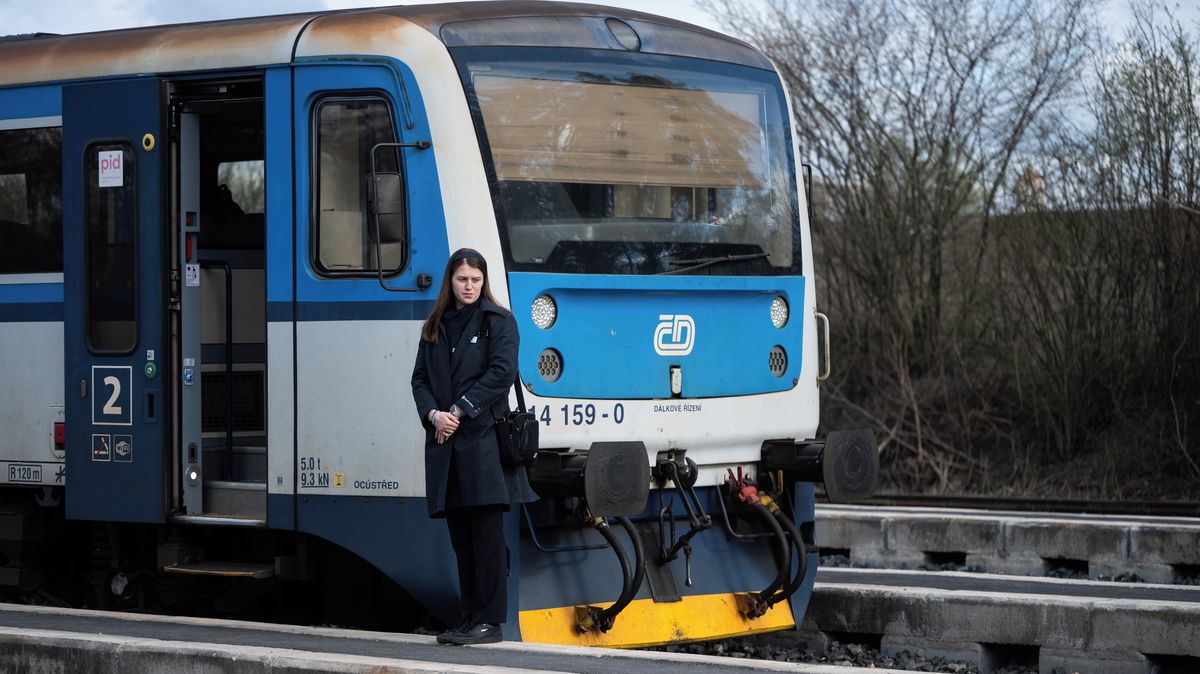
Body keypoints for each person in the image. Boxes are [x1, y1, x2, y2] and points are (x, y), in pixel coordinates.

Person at [410, 248, 537, 646]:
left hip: (482, 444)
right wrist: (433, 416)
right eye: (462, 279)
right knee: (461, 538)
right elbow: (418, 380)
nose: (469, 286)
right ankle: (468, 618)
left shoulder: (499, 321)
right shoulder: (434, 326)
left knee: (486, 537)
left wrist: (459, 411)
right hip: (446, 444)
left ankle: (490, 622)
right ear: (450, 281)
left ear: (484, 282)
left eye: (476, 280)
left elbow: (502, 372)